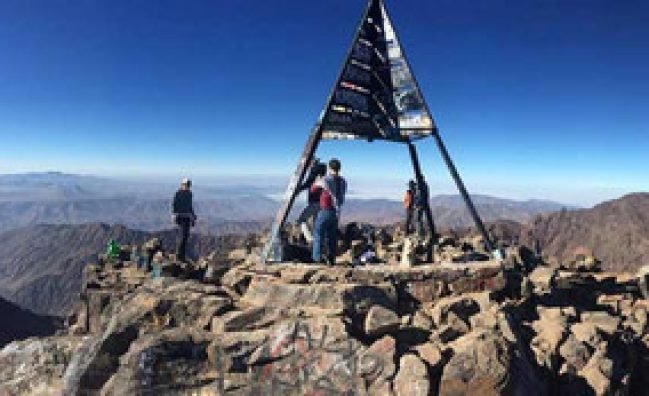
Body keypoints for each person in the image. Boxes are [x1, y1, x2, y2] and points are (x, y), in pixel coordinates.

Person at [312, 158, 347, 265]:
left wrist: (316, 179)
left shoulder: (326, 179)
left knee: (318, 234)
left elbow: (313, 189)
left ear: (330, 168)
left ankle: (317, 259)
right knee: (331, 237)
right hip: (336, 212)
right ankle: (331, 259)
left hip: (325, 210)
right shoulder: (343, 181)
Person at [297, 159, 327, 242]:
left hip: (315, 203)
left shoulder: (314, 171)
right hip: (323, 203)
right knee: (317, 224)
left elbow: (308, 183)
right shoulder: (323, 173)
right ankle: (319, 242)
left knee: (301, 220)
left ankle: (310, 240)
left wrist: (298, 190)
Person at [171, 178, 196, 262]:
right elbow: (174, 205)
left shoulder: (189, 194)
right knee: (183, 236)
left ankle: (182, 255)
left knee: (185, 236)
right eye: (185, 184)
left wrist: (193, 216)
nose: (187, 186)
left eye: (188, 185)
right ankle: (179, 255)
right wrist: (174, 215)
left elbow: (190, 206)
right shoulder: (178, 194)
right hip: (180, 216)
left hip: (187, 216)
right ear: (182, 185)